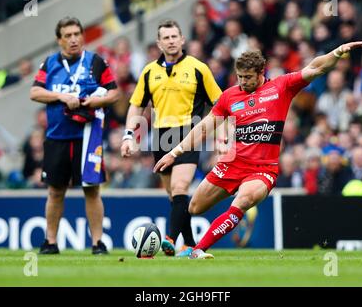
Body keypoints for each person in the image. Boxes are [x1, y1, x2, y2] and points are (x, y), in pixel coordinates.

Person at [154, 41, 362, 259]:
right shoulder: (229, 96)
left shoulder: (281, 87)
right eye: (239, 77)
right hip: (232, 164)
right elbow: (203, 128)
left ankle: (198, 250)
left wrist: (337, 52)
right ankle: (213, 230)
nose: (243, 82)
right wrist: (174, 153)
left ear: (260, 72)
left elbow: (316, 67)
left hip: (263, 169)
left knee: (243, 201)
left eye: (247, 77)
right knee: (194, 208)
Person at [120, 20, 222, 257]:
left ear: (182, 39)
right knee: (174, 196)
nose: (171, 41)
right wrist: (128, 136)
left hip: (189, 132)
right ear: (159, 43)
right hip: (160, 136)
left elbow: (219, 104)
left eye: (174, 36)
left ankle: (170, 239)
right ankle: (189, 245)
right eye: (166, 38)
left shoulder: (199, 68)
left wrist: (220, 135)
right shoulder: (149, 72)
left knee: (179, 187)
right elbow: (136, 106)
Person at [30, 17, 119, 255]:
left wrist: (96, 100)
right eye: (67, 35)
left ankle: (98, 243)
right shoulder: (50, 63)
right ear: (59, 40)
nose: (73, 40)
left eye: (77, 34)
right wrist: (61, 97)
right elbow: (34, 92)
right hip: (57, 137)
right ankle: (50, 242)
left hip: (88, 137)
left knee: (92, 189)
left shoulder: (96, 61)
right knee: (55, 190)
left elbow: (114, 93)